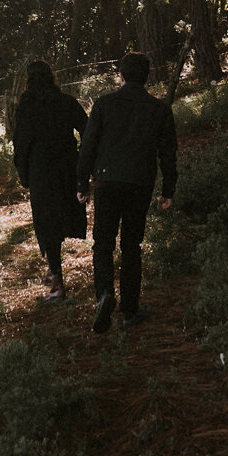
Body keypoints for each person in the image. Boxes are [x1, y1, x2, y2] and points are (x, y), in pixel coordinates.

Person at [76, 51, 178, 334]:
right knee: (132, 244)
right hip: (139, 184)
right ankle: (130, 309)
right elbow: (168, 153)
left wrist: (81, 183)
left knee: (103, 242)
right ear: (146, 77)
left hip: (107, 182)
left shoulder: (104, 105)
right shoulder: (158, 109)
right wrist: (168, 189)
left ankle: (105, 294)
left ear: (120, 75)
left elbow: (88, 146)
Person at [12, 59, 87, 302]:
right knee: (62, 216)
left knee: (47, 223)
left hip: (41, 170)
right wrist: (83, 161)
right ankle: (53, 273)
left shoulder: (27, 105)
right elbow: (87, 127)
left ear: (29, 79)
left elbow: (21, 142)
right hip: (66, 166)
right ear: (52, 76)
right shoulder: (65, 101)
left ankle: (57, 283)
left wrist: (24, 173)